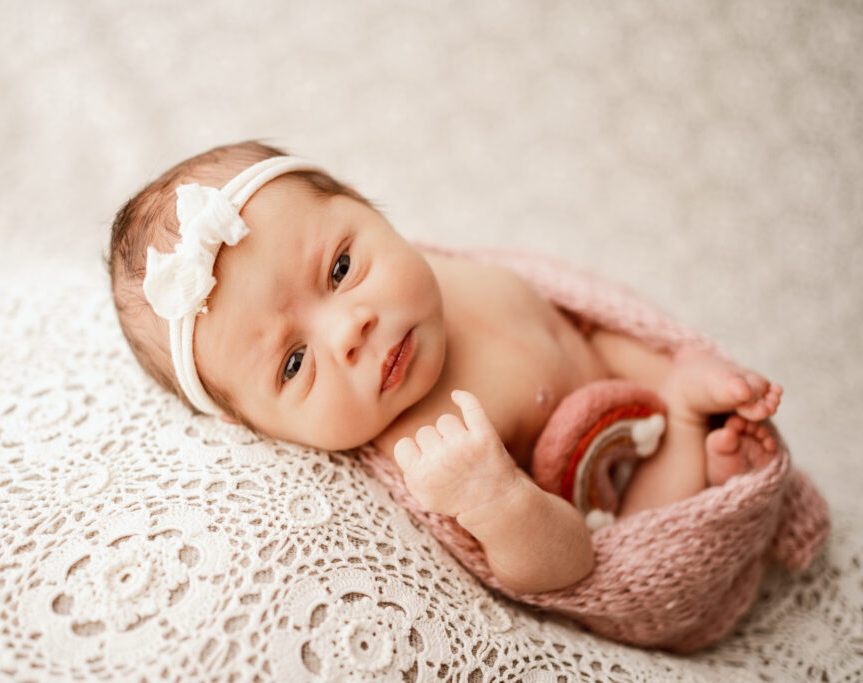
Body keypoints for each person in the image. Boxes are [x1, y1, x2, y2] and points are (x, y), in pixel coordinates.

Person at [108, 141, 782, 594]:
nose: (350, 328)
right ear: (252, 422)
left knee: (609, 343)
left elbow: (575, 317)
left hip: (612, 376)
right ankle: (697, 451)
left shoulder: (439, 273)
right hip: (620, 499)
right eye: (292, 361)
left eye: (342, 267)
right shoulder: (428, 447)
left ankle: (680, 389)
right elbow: (570, 569)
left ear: (361, 201)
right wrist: (498, 501)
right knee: (640, 531)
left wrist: (660, 367)